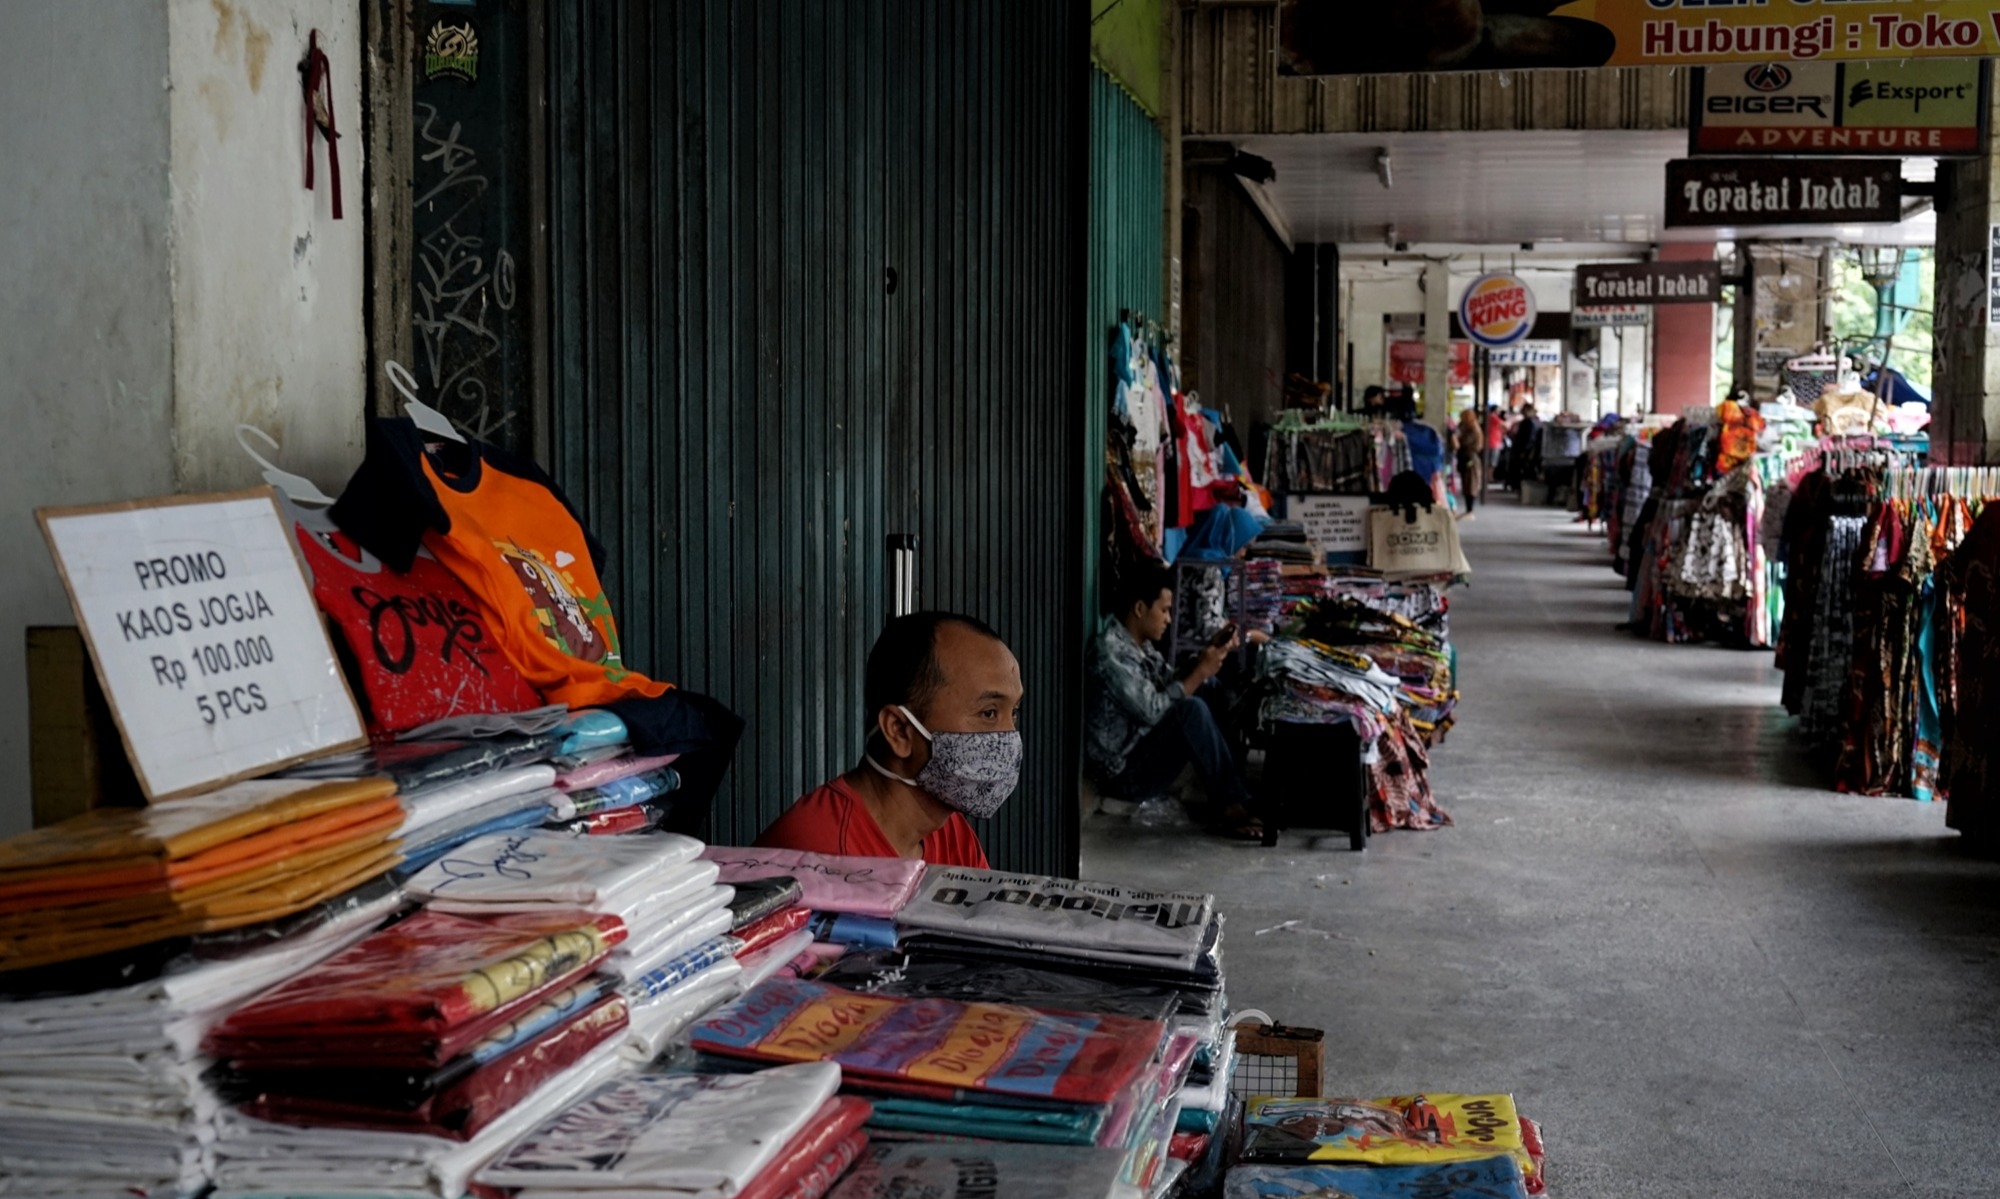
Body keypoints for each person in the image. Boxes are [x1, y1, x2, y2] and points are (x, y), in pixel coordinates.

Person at [755, 612, 1022, 867]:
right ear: (899, 730)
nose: (1010, 736)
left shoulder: (952, 833)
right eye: (989, 713)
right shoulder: (815, 858)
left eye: (1014, 713)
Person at [1086, 564, 1260, 838]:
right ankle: (1230, 806)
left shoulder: (1139, 645)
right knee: (1191, 710)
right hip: (1121, 776)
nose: (1169, 619)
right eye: (1164, 610)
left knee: (1208, 687)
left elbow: (1170, 681)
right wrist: (1199, 671)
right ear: (1140, 609)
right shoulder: (1111, 655)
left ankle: (1231, 792)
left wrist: (1204, 660)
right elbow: (1153, 709)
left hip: (1139, 748)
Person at [1507, 402, 1543, 493]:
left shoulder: (1528, 422)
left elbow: (1527, 438)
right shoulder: (1536, 421)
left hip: (1523, 449)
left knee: (1518, 468)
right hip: (1529, 449)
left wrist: (1523, 450)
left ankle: (1517, 486)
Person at [1455, 408, 1483, 517]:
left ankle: (1470, 509)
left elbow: (1464, 442)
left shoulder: (1473, 429)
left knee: (1471, 483)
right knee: (1467, 484)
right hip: (1467, 457)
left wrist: (1457, 437)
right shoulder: (1468, 427)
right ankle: (1468, 509)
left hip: (1470, 458)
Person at [1483, 405, 1505, 483]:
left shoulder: (1489, 417)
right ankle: (1489, 477)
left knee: (1491, 461)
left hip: (1492, 441)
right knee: (1492, 461)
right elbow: (1504, 425)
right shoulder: (1493, 417)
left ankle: (1489, 476)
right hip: (1493, 442)